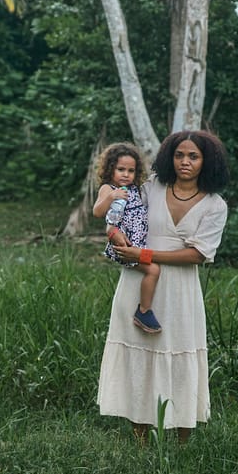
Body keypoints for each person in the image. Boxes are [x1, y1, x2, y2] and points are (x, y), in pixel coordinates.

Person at [96, 129, 230, 441]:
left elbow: (198, 254)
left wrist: (145, 253)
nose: (185, 162)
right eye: (179, 155)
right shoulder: (151, 188)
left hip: (180, 289)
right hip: (139, 280)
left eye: (193, 156)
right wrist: (115, 235)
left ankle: (183, 434)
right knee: (139, 353)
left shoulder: (214, 205)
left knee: (179, 352)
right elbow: (118, 214)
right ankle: (140, 433)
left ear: (206, 161)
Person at [90, 142, 160, 333]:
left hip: (138, 246)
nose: (126, 174)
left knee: (155, 262)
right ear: (110, 169)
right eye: (121, 169)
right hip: (125, 248)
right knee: (153, 269)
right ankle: (144, 311)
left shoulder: (135, 189)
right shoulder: (108, 188)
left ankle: (145, 309)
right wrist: (111, 196)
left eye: (131, 170)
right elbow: (97, 212)